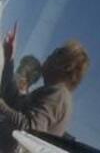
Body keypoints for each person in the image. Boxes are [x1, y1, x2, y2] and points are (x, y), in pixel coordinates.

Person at [0, 24, 89, 152]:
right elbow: (13, 100)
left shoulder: (58, 95)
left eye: (57, 52)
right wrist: (9, 59)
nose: (49, 55)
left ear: (66, 67)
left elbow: (29, 129)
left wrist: (1, 106)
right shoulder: (53, 92)